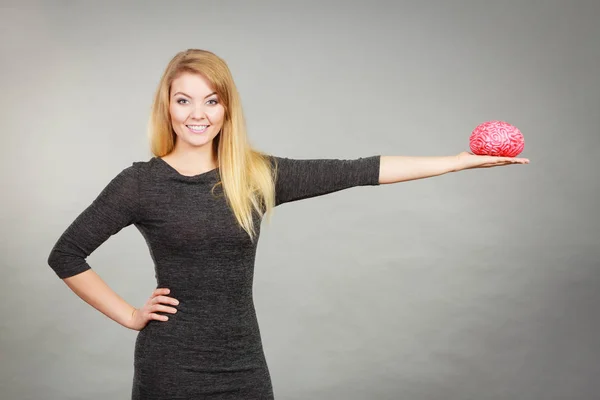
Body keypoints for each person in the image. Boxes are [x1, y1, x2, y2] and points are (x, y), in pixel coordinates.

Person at [47, 48, 529, 399]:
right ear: (167, 107)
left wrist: (458, 162)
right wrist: (131, 316)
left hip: (243, 367)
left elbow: (360, 170)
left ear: (227, 108)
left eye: (211, 101)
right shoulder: (139, 184)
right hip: (169, 368)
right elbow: (66, 255)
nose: (198, 114)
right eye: (184, 101)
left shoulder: (255, 175)